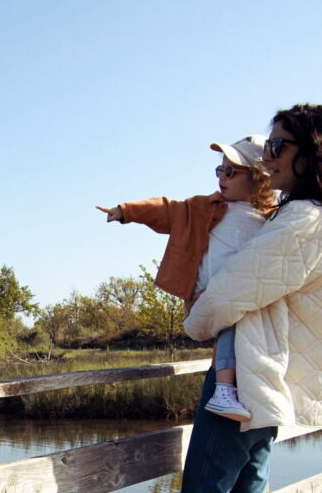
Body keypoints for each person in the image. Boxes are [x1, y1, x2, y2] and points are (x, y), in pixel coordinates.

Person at [181, 103, 322, 493]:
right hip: (267, 377)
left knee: (204, 486)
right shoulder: (309, 216)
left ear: (311, 151)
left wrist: (195, 321)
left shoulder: (304, 219)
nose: (267, 157)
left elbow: (233, 288)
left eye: (277, 146)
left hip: (250, 376)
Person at [97, 135, 276, 421]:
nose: (222, 177)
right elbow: (167, 210)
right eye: (220, 169)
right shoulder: (204, 207)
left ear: (258, 179)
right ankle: (224, 389)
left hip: (247, 295)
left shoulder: (273, 217)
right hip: (211, 294)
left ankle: (228, 388)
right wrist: (127, 211)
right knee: (230, 328)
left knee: (242, 332)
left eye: (230, 171)